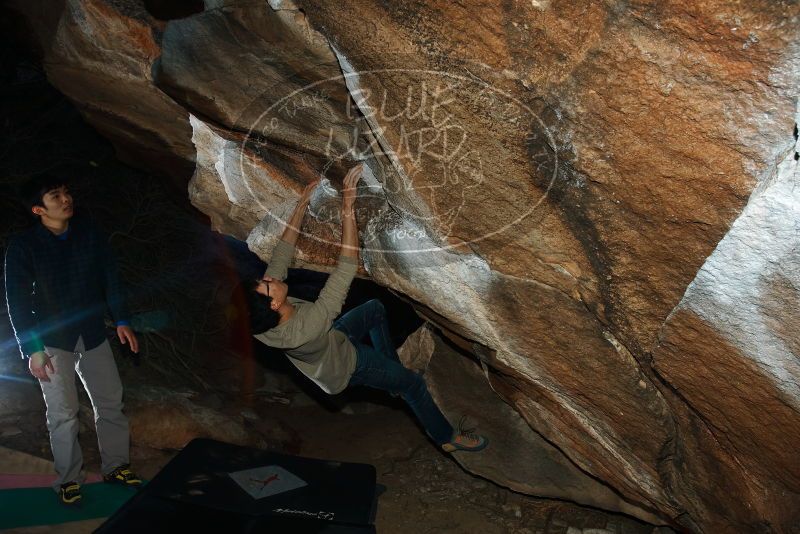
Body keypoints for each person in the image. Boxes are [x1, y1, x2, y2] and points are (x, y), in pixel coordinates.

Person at [241, 164, 487, 453]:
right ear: (274, 303)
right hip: (348, 363)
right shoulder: (305, 330)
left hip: (331, 340)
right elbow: (344, 269)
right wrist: (348, 204)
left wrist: (301, 205)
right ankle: (446, 438)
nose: (269, 277)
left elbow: (281, 257)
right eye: (266, 283)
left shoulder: (262, 319)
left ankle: (392, 373)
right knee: (414, 386)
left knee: (374, 308)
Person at [4, 174, 142, 506]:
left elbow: (110, 275)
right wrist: (32, 349)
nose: (66, 198)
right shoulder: (24, 247)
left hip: (92, 332)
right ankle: (68, 479)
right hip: (51, 338)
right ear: (39, 209)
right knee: (63, 412)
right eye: (56, 195)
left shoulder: (89, 234)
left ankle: (116, 467)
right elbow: (18, 301)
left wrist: (122, 319)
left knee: (110, 402)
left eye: (66, 192)